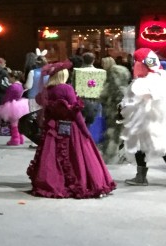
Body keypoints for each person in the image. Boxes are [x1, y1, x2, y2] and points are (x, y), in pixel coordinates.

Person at [26, 60, 116, 199]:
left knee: (52, 158)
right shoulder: (66, 89)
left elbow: (45, 109)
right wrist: (85, 130)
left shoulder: (48, 90)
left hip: (53, 128)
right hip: (71, 128)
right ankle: (78, 183)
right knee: (76, 157)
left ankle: (53, 182)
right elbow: (76, 112)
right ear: (63, 75)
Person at [119, 48, 166, 186]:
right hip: (152, 120)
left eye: (136, 62)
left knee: (154, 146)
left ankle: (141, 177)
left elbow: (140, 98)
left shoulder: (144, 81)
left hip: (147, 120)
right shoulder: (161, 76)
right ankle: (140, 176)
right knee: (152, 147)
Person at [98, 58, 131, 164]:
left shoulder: (112, 77)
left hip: (114, 110)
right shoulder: (125, 82)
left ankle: (111, 156)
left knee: (113, 131)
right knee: (120, 131)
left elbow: (106, 94)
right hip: (123, 108)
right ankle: (120, 155)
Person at [73, 51, 107, 130]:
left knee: (81, 127)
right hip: (96, 101)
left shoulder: (77, 71)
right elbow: (104, 87)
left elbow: (73, 87)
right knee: (95, 127)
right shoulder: (102, 72)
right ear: (94, 60)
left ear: (83, 60)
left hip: (81, 102)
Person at [0, 81, 30, 147]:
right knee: (18, 122)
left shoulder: (12, 86)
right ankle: (20, 138)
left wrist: (3, 104)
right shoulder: (20, 85)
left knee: (13, 123)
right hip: (20, 104)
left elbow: (7, 96)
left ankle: (15, 139)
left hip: (11, 105)